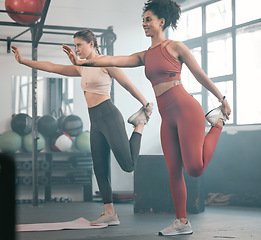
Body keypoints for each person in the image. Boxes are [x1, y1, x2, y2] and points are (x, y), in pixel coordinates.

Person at [62, 0, 232, 236]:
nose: (144, 24)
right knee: (173, 170)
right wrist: (83, 62)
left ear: (161, 22)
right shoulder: (144, 55)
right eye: (142, 20)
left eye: (148, 19)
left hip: (186, 109)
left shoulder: (175, 47)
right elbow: (113, 60)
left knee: (194, 169)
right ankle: (182, 222)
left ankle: (218, 123)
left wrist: (221, 97)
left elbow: (199, 74)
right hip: (167, 116)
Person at [11, 29, 153, 226]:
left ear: (91, 44)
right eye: (75, 45)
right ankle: (109, 213)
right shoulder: (81, 67)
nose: (76, 49)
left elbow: (127, 84)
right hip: (95, 121)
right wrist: (23, 61)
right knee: (99, 169)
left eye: (79, 45)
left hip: (109, 116)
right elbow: (52, 67)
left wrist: (146, 104)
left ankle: (140, 123)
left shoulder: (106, 62)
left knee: (128, 166)